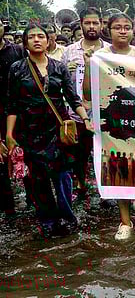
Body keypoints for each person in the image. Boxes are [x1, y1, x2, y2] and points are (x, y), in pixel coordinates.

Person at [6, 23, 93, 237]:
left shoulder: (58, 66)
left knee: (63, 175)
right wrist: (9, 134)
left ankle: (67, 216)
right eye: (32, 37)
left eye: (41, 36)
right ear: (25, 42)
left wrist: (85, 119)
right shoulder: (17, 69)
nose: (37, 40)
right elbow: (12, 104)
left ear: (48, 40)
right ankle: (47, 220)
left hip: (59, 128)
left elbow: (72, 97)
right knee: (38, 178)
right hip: (30, 131)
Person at [83, 12, 135, 241]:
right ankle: (125, 221)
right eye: (118, 27)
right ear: (109, 30)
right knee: (119, 168)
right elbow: (87, 93)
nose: (123, 31)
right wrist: (89, 66)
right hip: (112, 122)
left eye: (127, 27)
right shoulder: (100, 56)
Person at [62, 7, 110, 194]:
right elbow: (63, 82)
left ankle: (105, 188)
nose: (91, 26)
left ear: (101, 24)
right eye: (87, 23)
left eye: (95, 23)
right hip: (78, 111)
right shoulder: (68, 52)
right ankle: (81, 183)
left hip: (104, 109)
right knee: (80, 153)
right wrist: (67, 68)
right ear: (81, 24)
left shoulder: (109, 50)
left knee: (105, 152)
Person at [0, 21, 24, 216]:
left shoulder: (16, 51)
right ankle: (9, 209)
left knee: (27, 158)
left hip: (20, 113)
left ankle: (33, 203)